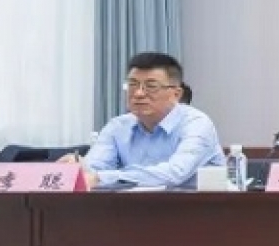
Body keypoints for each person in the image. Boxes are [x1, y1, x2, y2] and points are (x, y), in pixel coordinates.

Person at [77, 52, 223, 189]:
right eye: (132, 85)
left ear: (176, 94)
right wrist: (77, 168)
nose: (139, 93)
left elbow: (174, 173)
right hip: (132, 205)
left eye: (151, 86)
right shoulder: (118, 126)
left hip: (194, 205)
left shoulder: (196, 124)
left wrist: (103, 178)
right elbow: (93, 170)